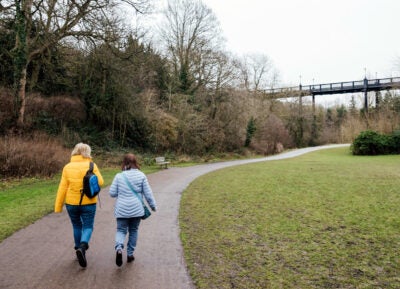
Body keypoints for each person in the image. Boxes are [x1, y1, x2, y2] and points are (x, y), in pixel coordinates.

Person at [54, 143, 104, 268]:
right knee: (88, 226)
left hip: (71, 203)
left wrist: (58, 206)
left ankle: (78, 249)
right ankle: (82, 246)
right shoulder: (92, 165)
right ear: (87, 152)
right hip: (89, 202)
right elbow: (101, 182)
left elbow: (62, 187)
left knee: (76, 226)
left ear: (75, 152)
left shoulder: (67, 167)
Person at [109, 153, 157, 267]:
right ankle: (130, 254)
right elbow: (148, 193)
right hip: (137, 210)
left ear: (124, 163)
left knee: (121, 230)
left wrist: (121, 192)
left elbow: (112, 193)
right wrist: (153, 206)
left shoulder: (119, 176)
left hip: (121, 210)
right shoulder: (141, 175)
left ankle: (119, 248)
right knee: (134, 230)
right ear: (135, 162)